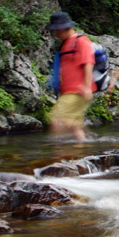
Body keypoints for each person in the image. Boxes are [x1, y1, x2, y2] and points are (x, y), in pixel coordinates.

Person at [46, 11, 95, 140]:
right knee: (75, 127)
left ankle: (59, 156)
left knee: (56, 118)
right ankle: (81, 155)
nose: (55, 33)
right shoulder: (64, 44)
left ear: (64, 27)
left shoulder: (81, 41)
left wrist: (87, 87)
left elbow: (88, 63)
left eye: (56, 30)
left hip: (78, 90)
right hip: (69, 91)